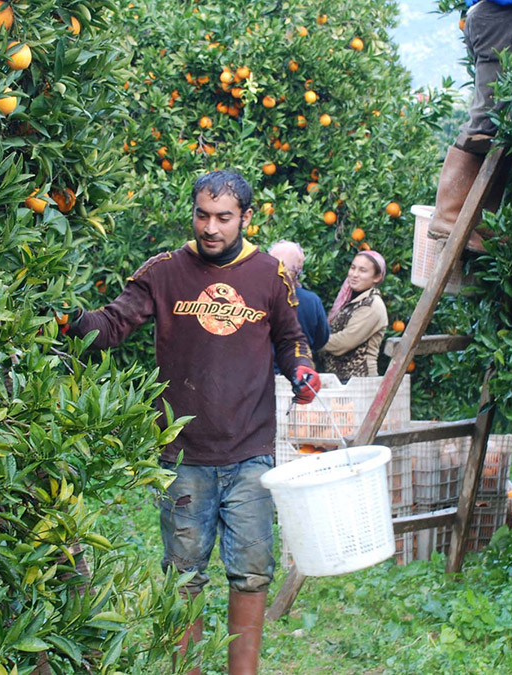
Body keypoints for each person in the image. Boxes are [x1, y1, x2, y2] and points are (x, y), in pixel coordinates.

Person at [65, 170, 321, 675]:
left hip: (250, 452)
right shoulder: (165, 272)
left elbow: (291, 339)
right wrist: (71, 319)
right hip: (183, 455)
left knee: (251, 573)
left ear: (246, 217)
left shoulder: (270, 274)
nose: (210, 227)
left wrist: (302, 369)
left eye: (223, 217)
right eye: (202, 215)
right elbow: (112, 324)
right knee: (184, 576)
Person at [428, 0, 512, 250]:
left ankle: (481, 223)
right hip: (502, 16)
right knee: (487, 123)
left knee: (504, 131)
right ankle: (447, 215)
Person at [318, 250, 389, 382]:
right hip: (340, 380)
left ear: (377, 277)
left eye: (362, 270)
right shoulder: (348, 300)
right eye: (353, 268)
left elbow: (344, 342)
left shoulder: (372, 305)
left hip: (360, 381)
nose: (354, 274)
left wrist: (312, 341)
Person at [268, 240, 330, 352]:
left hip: (265, 363)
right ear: (299, 268)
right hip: (300, 360)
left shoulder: (258, 298)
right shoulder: (312, 301)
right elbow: (321, 339)